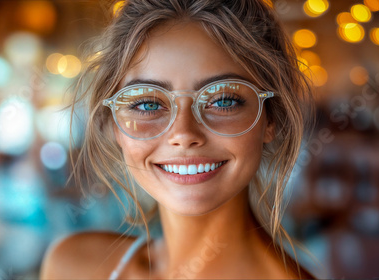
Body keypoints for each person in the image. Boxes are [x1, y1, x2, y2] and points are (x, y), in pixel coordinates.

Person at [41, 0, 317, 279]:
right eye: (148, 104)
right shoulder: (73, 267)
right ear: (114, 125)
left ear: (270, 119)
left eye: (222, 100)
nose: (183, 134)